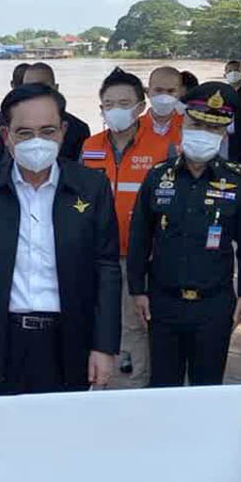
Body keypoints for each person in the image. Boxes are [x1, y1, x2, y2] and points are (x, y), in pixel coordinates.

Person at [0, 83, 122, 395]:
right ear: (6, 136)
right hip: (1, 340)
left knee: (65, 422)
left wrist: (105, 346)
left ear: (63, 132)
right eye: (25, 133)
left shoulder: (91, 187)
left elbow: (107, 268)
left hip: (70, 339)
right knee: (4, 422)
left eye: (47, 131)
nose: (37, 142)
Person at [128, 82, 241, 387]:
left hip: (213, 305)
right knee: (163, 386)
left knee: (207, 388)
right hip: (164, 302)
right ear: (183, 123)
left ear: (224, 132)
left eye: (213, 128)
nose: (203, 133)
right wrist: (137, 289)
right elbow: (140, 236)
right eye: (197, 124)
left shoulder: (239, 181)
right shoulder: (158, 176)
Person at [81, 67, 179, 388]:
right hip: (96, 255)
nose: (116, 110)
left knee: (135, 325)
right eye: (109, 104)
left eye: (124, 103)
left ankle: (134, 388)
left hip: (141, 256)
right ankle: (95, 383)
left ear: (140, 107)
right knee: (94, 318)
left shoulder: (164, 148)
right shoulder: (90, 146)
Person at [0, 62, 91, 165]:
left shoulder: (78, 129)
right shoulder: (3, 119)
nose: (35, 94)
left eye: (42, 88)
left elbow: (80, 170)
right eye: (28, 88)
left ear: (55, 88)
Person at [146, 66, 186, 138]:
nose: (164, 96)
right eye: (158, 90)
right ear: (148, 92)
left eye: (171, 91)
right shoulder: (134, 127)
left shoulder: (190, 126)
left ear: (180, 93)